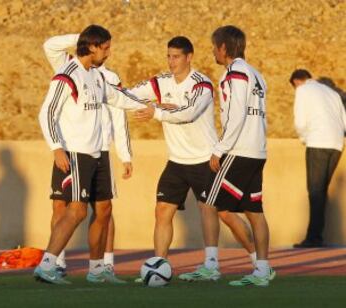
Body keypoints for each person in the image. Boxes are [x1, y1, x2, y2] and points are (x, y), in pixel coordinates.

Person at [133, 36, 258, 282]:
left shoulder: (202, 84)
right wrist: (106, 90)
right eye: (168, 56)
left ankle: (252, 260)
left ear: (189, 57)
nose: (171, 62)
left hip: (205, 158)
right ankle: (159, 266)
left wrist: (158, 110)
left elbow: (188, 114)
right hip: (176, 161)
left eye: (176, 56)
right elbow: (130, 95)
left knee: (218, 212)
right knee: (162, 211)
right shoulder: (161, 82)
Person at [35, 24, 146, 285]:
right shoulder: (67, 75)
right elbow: (47, 113)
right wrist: (56, 147)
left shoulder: (96, 76)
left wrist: (152, 106)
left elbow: (118, 98)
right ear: (92, 46)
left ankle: (97, 270)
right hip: (75, 152)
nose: (108, 53)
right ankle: (48, 264)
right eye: (105, 47)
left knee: (104, 209)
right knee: (76, 211)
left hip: (99, 154)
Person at [202, 25, 274, 287]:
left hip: (240, 150)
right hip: (257, 150)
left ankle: (211, 265)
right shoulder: (257, 74)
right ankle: (262, 269)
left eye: (214, 46)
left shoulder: (235, 74)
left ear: (223, 48)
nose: (213, 51)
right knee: (254, 211)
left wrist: (220, 149)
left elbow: (237, 114)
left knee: (210, 202)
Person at [290, 69, 346, 248]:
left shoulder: (303, 90)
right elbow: (344, 121)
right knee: (320, 191)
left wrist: (304, 138)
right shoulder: (332, 93)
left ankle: (314, 238)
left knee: (315, 191)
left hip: (318, 142)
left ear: (297, 81)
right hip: (336, 144)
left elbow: (300, 121)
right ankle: (316, 235)